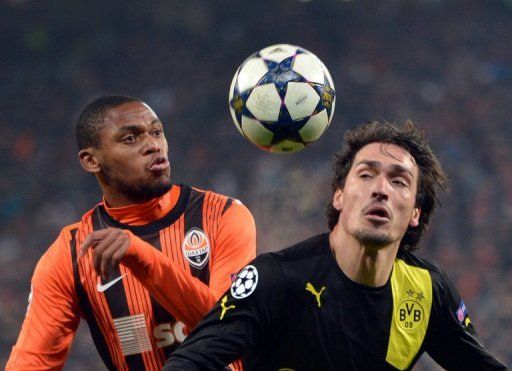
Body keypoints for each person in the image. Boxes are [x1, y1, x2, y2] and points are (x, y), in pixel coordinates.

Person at [164, 121, 507, 370]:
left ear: (415, 212)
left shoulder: (428, 291)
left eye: (399, 180)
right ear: (339, 196)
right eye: (366, 174)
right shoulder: (275, 278)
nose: (381, 189)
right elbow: (189, 364)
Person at [6, 94, 256, 370]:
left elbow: (228, 329)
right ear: (91, 160)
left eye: (157, 132)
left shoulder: (222, 215)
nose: (152, 145)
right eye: (130, 139)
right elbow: (31, 363)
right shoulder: (70, 254)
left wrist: (140, 255)